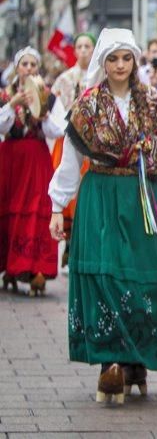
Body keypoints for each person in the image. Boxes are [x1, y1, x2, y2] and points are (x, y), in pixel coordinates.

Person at [48, 28, 157, 404]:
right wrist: (57, 208)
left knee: (145, 279)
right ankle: (109, 362)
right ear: (102, 62)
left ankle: (135, 358)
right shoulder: (88, 105)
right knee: (104, 275)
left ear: (135, 61)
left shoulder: (153, 104)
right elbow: (69, 162)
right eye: (113, 59)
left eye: (127, 58)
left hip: (144, 198)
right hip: (102, 196)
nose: (121, 65)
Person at [0, 47, 62, 295]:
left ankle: (36, 268)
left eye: (33, 64)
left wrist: (44, 114)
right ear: (17, 68)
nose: (28, 68)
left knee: (37, 209)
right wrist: (11, 104)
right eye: (24, 64)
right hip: (11, 159)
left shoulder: (48, 95)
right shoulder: (6, 95)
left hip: (36, 159)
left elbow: (57, 130)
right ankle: (10, 267)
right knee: (10, 208)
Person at [50, 33, 96, 266]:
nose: (84, 50)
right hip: (68, 138)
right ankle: (68, 244)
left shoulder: (99, 77)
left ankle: (82, 240)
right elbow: (53, 110)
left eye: (88, 46)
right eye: (80, 46)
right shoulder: (64, 79)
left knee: (85, 193)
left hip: (92, 144)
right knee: (69, 187)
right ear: (75, 50)